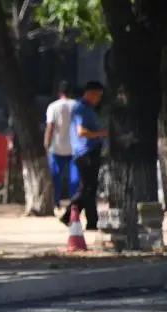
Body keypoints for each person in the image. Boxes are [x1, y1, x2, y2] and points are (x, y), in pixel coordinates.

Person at [61, 81, 108, 230]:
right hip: (86, 153)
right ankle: (68, 214)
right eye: (97, 95)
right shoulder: (81, 108)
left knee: (90, 188)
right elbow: (81, 132)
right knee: (86, 188)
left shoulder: (87, 108)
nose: (98, 99)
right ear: (89, 93)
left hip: (89, 152)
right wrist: (103, 133)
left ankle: (92, 221)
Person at [44, 81, 79, 210]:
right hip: (74, 148)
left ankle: (56, 202)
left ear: (59, 93)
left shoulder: (53, 107)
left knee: (55, 177)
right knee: (74, 178)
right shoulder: (77, 106)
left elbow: (50, 127)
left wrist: (46, 143)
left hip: (56, 148)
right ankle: (74, 202)